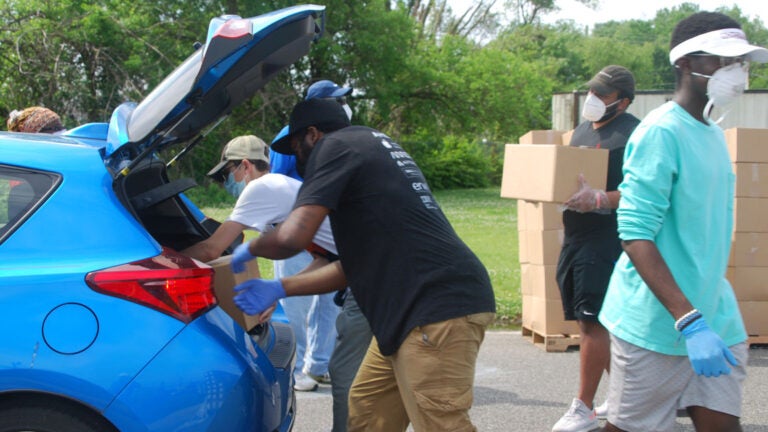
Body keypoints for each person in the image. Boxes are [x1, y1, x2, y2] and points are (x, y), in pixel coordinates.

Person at [229, 98, 496, 431]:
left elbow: (292, 237)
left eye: (296, 147)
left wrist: (249, 248)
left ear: (313, 135)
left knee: (440, 421)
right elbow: (348, 268)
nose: (297, 159)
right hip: (407, 314)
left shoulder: (336, 147)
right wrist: (280, 287)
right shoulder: (366, 151)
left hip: (436, 308)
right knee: (369, 410)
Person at [597, 12, 767, 432]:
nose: (737, 72)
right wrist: (688, 320)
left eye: (742, 62)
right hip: (659, 322)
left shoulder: (710, 130)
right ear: (687, 64)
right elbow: (636, 236)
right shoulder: (661, 132)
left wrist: (709, 309)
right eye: (724, 61)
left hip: (715, 317)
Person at [179, 134, 338, 392]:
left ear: (245, 165)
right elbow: (323, 258)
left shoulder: (261, 188)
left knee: (355, 380)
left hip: (364, 267)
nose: (225, 184)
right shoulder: (278, 190)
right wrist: (278, 290)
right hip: (350, 266)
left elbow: (211, 249)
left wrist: (163, 262)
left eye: (226, 174)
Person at [551, 66, 640, 432]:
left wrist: (600, 198)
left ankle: (583, 408)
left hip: (606, 237)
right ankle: (628, 399)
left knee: (593, 320)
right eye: (593, 92)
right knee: (587, 318)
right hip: (576, 234)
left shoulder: (635, 133)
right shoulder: (584, 130)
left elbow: (642, 191)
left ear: (623, 102)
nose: (594, 99)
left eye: (603, 95)